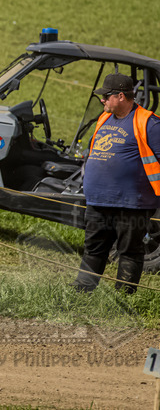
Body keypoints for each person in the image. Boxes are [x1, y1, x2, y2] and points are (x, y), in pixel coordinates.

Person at [74, 73, 160, 294]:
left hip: (132, 204)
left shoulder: (149, 123)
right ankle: (81, 293)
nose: (102, 100)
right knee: (93, 249)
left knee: (129, 251)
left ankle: (124, 298)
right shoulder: (104, 118)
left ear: (121, 96)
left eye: (106, 96)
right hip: (99, 200)